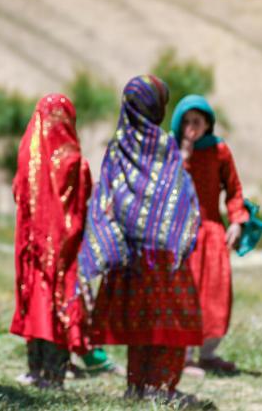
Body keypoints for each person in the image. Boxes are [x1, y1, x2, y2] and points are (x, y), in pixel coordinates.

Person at [77, 75, 204, 404]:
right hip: (163, 255)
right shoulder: (164, 145)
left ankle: (137, 386)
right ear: (157, 106)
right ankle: (160, 388)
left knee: (140, 323)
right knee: (169, 323)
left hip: (130, 254)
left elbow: (108, 196)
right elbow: (179, 193)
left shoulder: (118, 146)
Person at [10, 94, 90, 389]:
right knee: (56, 306)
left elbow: (18, 193)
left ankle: (37, 370)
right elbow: (83, 200)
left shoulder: (28, 156)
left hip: (33, 247)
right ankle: (54, 374)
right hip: (63, 250)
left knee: (36, 305)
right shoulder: (75, 161)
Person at [170, 95, 249, 374]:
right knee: (185, 293)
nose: (191, 127)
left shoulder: (219, 151)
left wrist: (236, 221)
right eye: (186, 122)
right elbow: (168, 187)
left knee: (216, 293)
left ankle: (207, 352)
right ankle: (183, 356)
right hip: (181, 233)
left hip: (212, 231)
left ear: (207, 124)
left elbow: (234, 189)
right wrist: (184, 156)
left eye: (197, 121)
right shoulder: (171, 151)